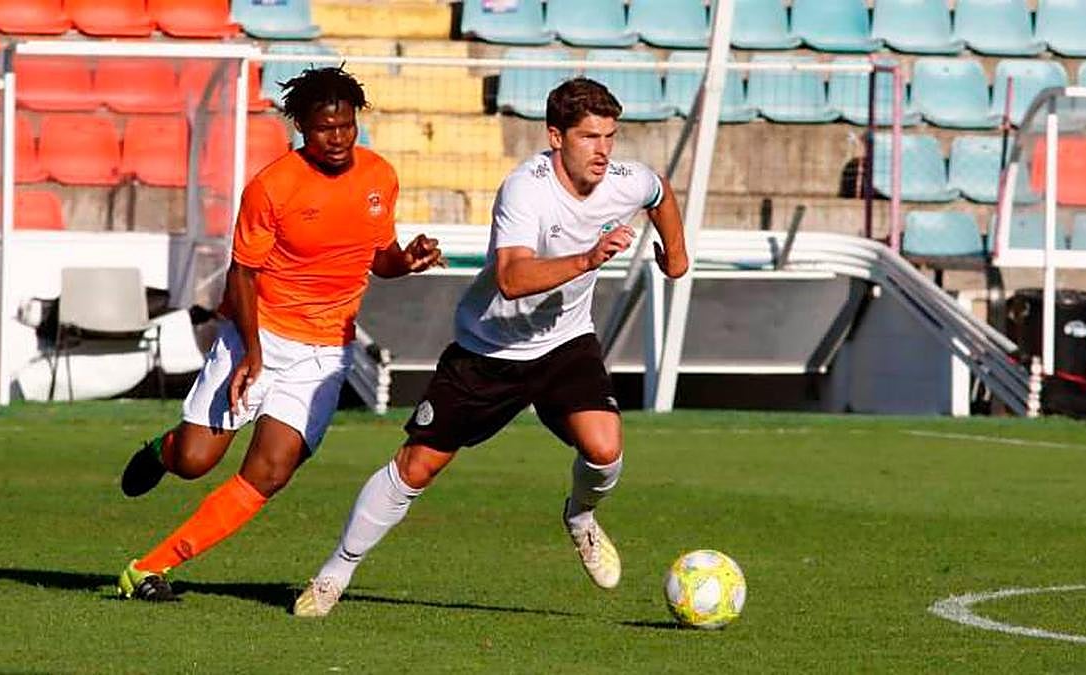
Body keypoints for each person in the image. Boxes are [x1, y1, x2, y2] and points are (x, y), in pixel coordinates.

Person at [292, 77, 689, 618]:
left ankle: (579, 517)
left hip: (564, 343)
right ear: (555, 137)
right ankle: (333, 575)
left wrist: (676, 257)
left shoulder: (624, 179)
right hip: (487, 349)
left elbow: (659, 192)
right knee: (417, 467)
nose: (603, 150)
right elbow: (511, 278)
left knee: (604, 448)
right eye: (590, 137)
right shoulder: (525, 189)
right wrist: (588, 260)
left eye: (610, 137)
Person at [115, 66, 444, 602]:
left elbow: (377, 256)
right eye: (324, 128)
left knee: (270, 472)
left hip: (323, 355)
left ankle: (149, 568)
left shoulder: (379, 177)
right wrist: (253, 353)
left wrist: (406, 260)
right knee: (195, 461)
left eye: (346, 126)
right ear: (301, 127)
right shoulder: (273, 186)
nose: (337, 138)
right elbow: (243, 272)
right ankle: (163, 450)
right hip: (258, 335)